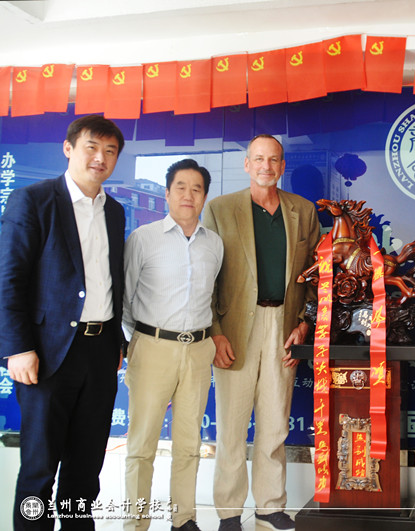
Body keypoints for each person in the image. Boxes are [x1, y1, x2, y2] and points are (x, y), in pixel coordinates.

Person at [0, 115, 126, 529]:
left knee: (85, 470)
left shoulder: (114, 212)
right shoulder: (33, 200)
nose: (100, 157)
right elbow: (9, 280)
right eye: (92, 147)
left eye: (110, 151)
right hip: (47, 352)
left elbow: (110, 280)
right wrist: (17, 348)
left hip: (100, 352)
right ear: (69, 148)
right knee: (39, 470)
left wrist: (116, 342)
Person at [203, 134, 320, 531]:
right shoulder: (220, 209)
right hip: (235, 328)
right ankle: (229, 512)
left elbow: (316, 275)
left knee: (275, 423)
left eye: (273, 160)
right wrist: (215, 332)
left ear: (282, 166)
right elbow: (205, 277)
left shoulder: (303, 211)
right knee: (232, 426)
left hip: (283, 327)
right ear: (247, 164)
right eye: (258, 159)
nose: (266, 166)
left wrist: (305, 322)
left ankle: (270, 506)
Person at [122, 159, 223, 531]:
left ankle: (184, 519)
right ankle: (136, 523)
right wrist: (138, 341)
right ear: (167, 193)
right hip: (152, 347)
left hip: (198, 350)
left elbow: (213, 298)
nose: (188, 195)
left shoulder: (215, 244)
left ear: (205, 196)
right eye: (180, 187)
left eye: (197, 189)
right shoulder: (143, 238)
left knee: (188, 443)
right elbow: (125, 299)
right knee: (142, 445)